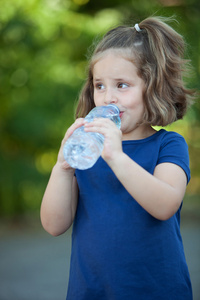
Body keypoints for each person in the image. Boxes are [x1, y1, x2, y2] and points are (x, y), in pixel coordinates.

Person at [40, 16, 195, 299]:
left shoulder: (168, 145)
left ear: (154, 87)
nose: (108, 97)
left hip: (156, 290)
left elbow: (165, 205)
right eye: (100, 86)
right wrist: (62, 169)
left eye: (122, 85)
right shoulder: (89, 148)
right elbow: (54, 225)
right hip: (91, 290)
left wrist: (117, 158)